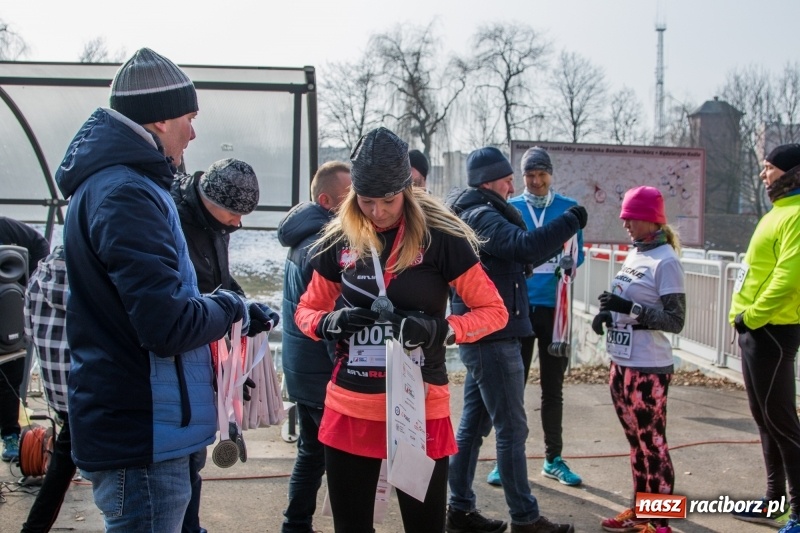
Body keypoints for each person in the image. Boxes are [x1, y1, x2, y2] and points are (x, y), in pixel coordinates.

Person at [54, 48, 269, 532]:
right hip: (144, 435)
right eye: (189, 118)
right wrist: (230, 305)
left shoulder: (123, 185)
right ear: (158, 120)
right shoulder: (127, 192)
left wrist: (226, 308)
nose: (194, 133)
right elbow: (165, 324)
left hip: (149, 428)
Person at [295, 127, 507, 533]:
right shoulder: (339, 239)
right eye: (367, 201)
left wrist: (441, 330)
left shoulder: (440, 237)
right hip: (352, 407)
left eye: (388, 200)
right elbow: (307, 309)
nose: (377, 212)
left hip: (418, 409)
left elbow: (492, 311)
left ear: (407, 191)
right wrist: (326, 323)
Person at [445, 146, 585, 533]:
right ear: (491, 180)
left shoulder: (479, 213)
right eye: (509, 178)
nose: (514, 186)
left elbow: (513, 257)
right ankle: (525, 518)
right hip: (493, 335)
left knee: (474, 426)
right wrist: (571, 221)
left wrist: (537, 253)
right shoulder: (482, 215)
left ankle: (459, 510)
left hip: (487, 332)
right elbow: (522, 246)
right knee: (511, 428)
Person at [172, 157, 278, 533]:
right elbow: (184, 295)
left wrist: (247, 306)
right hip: (178, 353)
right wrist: (233, 311)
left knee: (192, 456)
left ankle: (190, 525)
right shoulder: (172, 218)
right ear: (208, 198)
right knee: (180, 458)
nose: (238, 223)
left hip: (205, 347)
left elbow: (221, 281)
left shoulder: (214, 224)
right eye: (234, 214)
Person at [592, 186, 685, 533]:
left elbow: (675, 320)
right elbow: (625, 301)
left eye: (631, 218)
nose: (626, 224)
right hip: (622, 362)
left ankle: (660, 522)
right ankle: (641, 510)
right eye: (624, 218)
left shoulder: (666, 260)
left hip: (649, 366)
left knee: (654, 444)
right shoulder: (636, 254)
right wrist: (607, 315)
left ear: (651, 219)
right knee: (636, 444)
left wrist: (628, 309)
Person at [728, 144, 800, 533]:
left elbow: (788, 279)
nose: (763, 174)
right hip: (754, 330)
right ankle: (774, 501)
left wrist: (751, 317)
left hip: (772, 329)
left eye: (769, 168)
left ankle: (799, 512)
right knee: (764, 419)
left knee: (783, 422)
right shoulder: (779, 212)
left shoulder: (797, 215)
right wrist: (740, 318)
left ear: (790, 172)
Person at [503, 146, 584, 488]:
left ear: (551, 174)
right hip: (519, 310)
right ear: (522, 177)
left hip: (555, 313)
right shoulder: (510, 209)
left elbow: (577, 254)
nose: (536, 181)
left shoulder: (567, 209)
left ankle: (553, 458)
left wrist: (570, 264)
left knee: (553, 389)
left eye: (541, 174)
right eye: (530, 176)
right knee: (513, 389)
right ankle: (509, 460)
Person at [277, 160, 351, 533]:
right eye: (349, 196)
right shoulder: (322, 247)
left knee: (312, 452)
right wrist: (344, 375)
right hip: (321, 375)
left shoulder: (303, 238)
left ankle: (295, 524)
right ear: (326, 200)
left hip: (303, 370)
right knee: (339, 459)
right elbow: (328, 323)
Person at [21, 245, 74, 533]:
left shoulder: (39, 274)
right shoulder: (93, 276)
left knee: (65, 460)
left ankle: (34, 527)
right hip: (91, 390)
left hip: (57, 392)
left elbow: (28, 331)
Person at [0, 216, 50, 463]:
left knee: (9, 374)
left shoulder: (5, 227)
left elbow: (39, 243)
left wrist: (28, 286)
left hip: (7, 311)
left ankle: (10, 434)